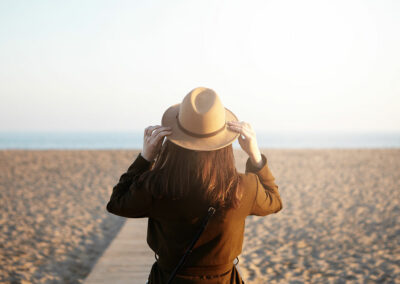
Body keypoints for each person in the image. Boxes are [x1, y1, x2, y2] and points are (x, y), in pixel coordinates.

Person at [106, 87, 283, 283]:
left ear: (174, 140)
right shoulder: (244, 187)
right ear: (224, 143)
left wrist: (145, 157)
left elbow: (117, 203)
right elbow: (274, 201)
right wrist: (255, 155)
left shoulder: (156, 185)